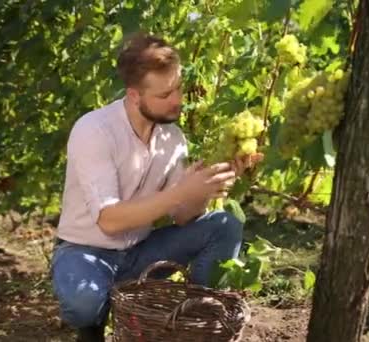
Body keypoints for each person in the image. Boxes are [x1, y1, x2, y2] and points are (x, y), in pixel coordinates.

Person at [50, 32, 263, 342]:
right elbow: (109, 219)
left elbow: (182, 216)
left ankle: (197, 319)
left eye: (177, 88)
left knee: (225, 225)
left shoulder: (172, 138)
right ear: (134, 96)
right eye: (164, 95)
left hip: (139, 252)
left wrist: (204, 188)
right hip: (84, 252)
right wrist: (180, 191)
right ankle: (93, 322)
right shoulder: (94, 130)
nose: (176, 100)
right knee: (85, 303)